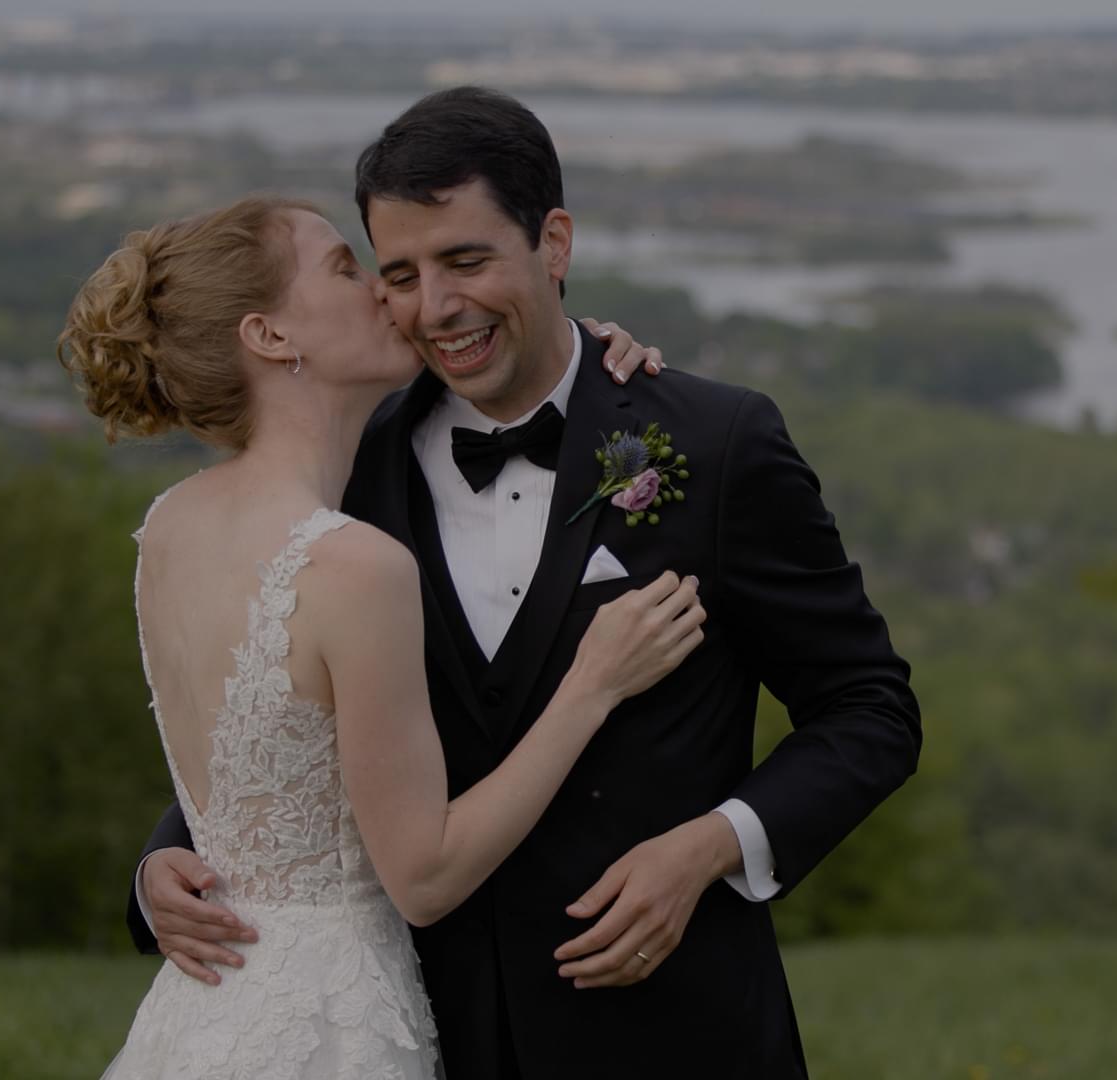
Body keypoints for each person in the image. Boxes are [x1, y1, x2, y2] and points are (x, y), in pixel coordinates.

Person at [133, 86, 923, 1080]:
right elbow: (284, 703)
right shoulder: (349, 470)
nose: (436, 307)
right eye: (401, 274)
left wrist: (714, 847)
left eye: (468, 261)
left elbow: (870, 709)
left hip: (671, 1035)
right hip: (419, 1036)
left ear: (553, 243)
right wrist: (168, 859)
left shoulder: (716, 445)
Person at [61, 194, 692, 1078]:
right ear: (272, 337)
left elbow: (256, 767)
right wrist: (593, 684)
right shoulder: (354, 565)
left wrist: (572, 354)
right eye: (344, 270)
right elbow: (425, 878)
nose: (387, 295)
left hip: (208, 1019)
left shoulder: (171, 524)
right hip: (333, 1025)